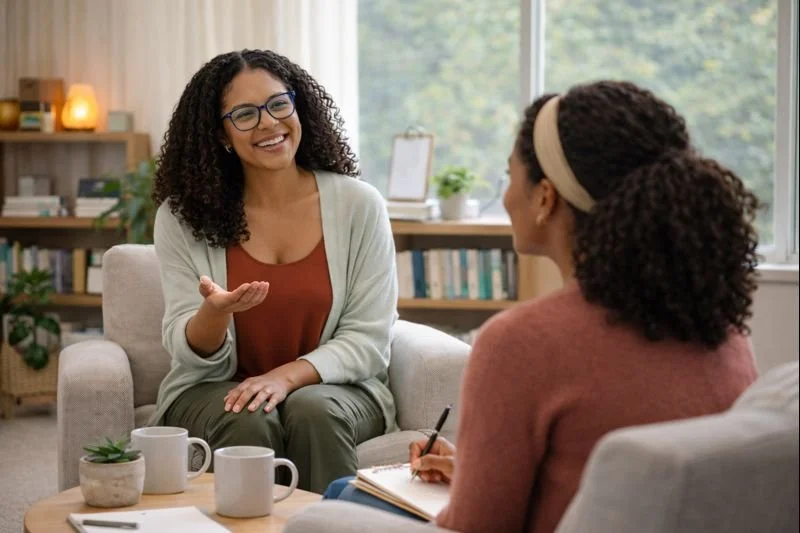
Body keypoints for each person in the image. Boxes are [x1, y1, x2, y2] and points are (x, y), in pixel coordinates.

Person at [325, 80, 759, 532]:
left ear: (545, 197)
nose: (508, 195)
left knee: (336, 500)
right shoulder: (721, 326)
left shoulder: (522, 341)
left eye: (510, 177)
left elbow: (476, 528)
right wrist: (475, 472)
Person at [148, 49, 399, 494]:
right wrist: (214, 313)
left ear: (297, 107)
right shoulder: (182, 217)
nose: (268, 123)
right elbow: (186, 349)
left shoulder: (359, 206)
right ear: (221, 134)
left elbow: (369, 338)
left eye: (279, 104)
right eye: (245, 114)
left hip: (335, 390)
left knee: (313, 410)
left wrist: (285, 377)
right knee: (247, 415)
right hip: (214, 388)